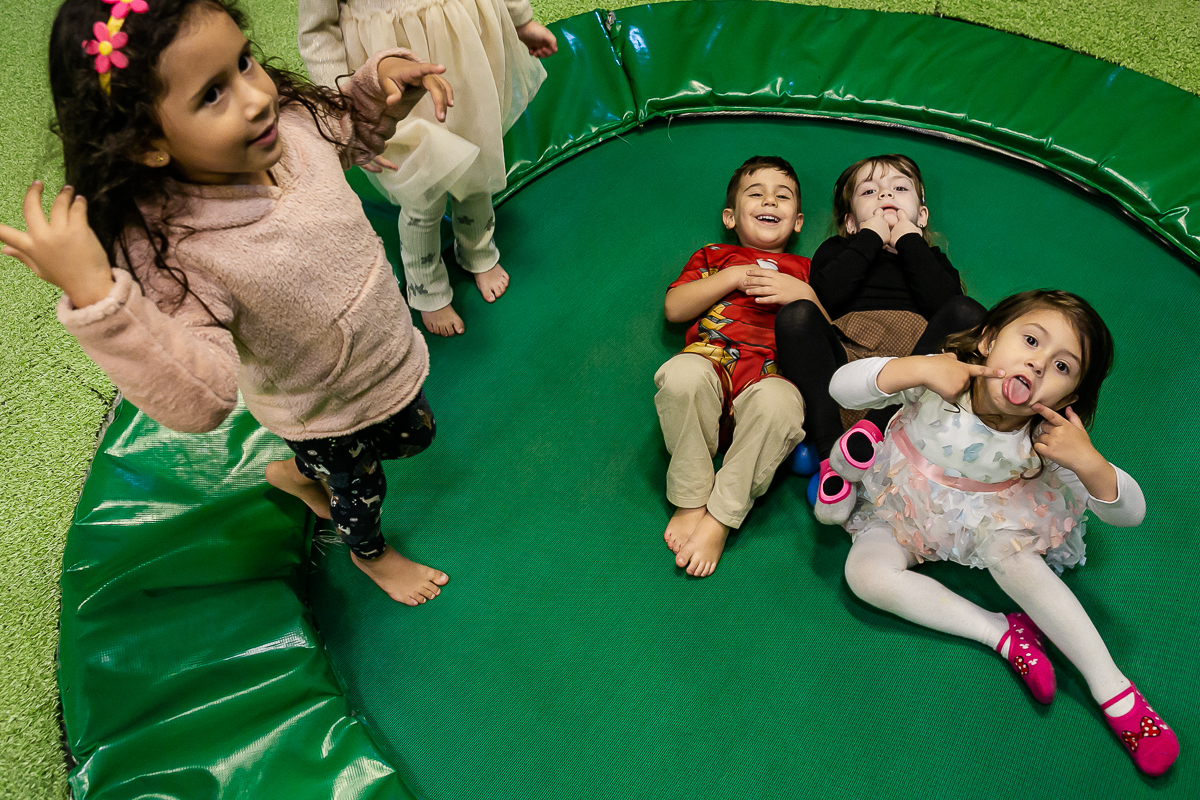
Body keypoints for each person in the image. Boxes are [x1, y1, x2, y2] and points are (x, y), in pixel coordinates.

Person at [1, 0, 454, 605]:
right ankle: (371, 555)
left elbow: (344, 128)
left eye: (244, 61)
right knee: (360, 496)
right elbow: (201, 399)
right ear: (148, 144)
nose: (257, 96)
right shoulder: (179, 251)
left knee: (412, 436)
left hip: (386, 355)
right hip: (325, 409)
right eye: (211, 94)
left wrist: (377, 90)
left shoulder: (290, 125)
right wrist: (97, 296)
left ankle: (296, 472)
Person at [830, 289, 1177, 776]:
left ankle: (1112, 688)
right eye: (1031, 341)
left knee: (1014, 558)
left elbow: (1130, 513)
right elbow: (841, 388)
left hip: (987, 526)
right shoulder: (940, 377)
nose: (1037, 365)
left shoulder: (1043, 437)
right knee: (863, 574)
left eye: (1062, 367)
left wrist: (1089, 461)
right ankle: (1000, 633)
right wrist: (918, 368)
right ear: (990, 339)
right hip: (902, 509)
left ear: (1069, 398)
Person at [299, 0, 557, 337]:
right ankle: (425, 283)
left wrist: (521, 21)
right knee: (421, 188)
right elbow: (318, 32)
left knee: (475, 156)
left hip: (464, 46)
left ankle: (476, 246)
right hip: (389, 74)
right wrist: (344, 108)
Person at [773, 154, 985, 523]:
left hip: (910, 382)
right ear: (851, 222)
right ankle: (831, 462)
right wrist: (871, 237)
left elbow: (944, 304)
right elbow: (828, 296)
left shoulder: (930, 258)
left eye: (900, 188)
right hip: (846, 372)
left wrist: (908, 241)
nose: (885, 194)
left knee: (967, 312)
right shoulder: (837, 251)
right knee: (796, 316)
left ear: (921, 215)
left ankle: (873, 427)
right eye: (870, 191)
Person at [655, 156, 821, 577]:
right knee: (681, 374)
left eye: (782, 196)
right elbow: (675, 308)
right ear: (730, 216)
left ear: (798, 221)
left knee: (782, 405)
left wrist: (801, 293)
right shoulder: (715, 255)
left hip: (768, 379)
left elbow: (828, 337)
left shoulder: (807, 270)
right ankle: (691, 497)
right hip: (712, 367)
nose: (770, 200)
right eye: (757, 193)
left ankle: (720, 517)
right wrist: (732, 277)